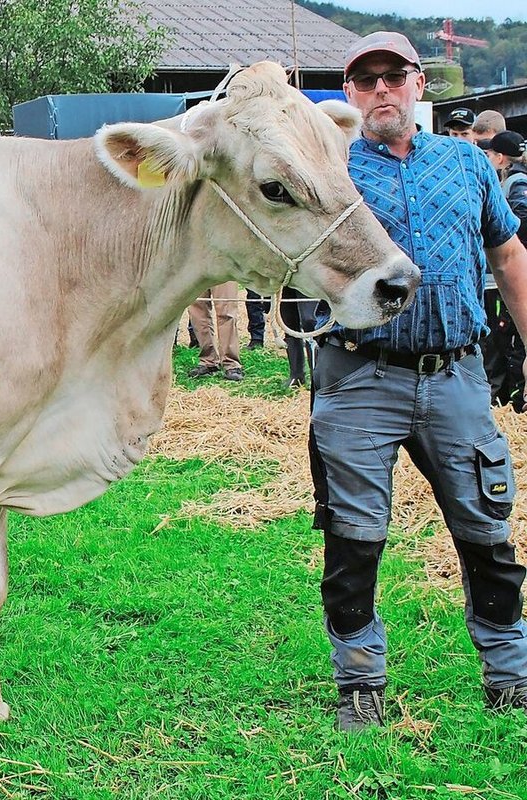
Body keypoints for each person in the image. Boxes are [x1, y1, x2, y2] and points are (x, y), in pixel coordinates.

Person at [312, 31, 527, 732]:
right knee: (353, 537)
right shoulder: (330, 171)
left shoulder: (467, 164)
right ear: (349, 94)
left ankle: (509, 675)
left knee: (486, 530)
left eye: (393, 76)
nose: (381, 90)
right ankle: (360, 686)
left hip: (456, 375)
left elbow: (506, 253)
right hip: (358, 376)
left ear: (418, 85)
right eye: (365, 79)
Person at [477, 131, 527, 409]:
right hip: (507, 275)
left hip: (502, 279)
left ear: (499, 157)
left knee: (501, 341)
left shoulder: (515, 183)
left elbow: (520, 221)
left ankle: (513, 400)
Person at [186, 282, 244, 381]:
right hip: (195, 267)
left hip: (224, 268)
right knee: (197, 311)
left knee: (226, 311)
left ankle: (231, 363)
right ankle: (208, 360)